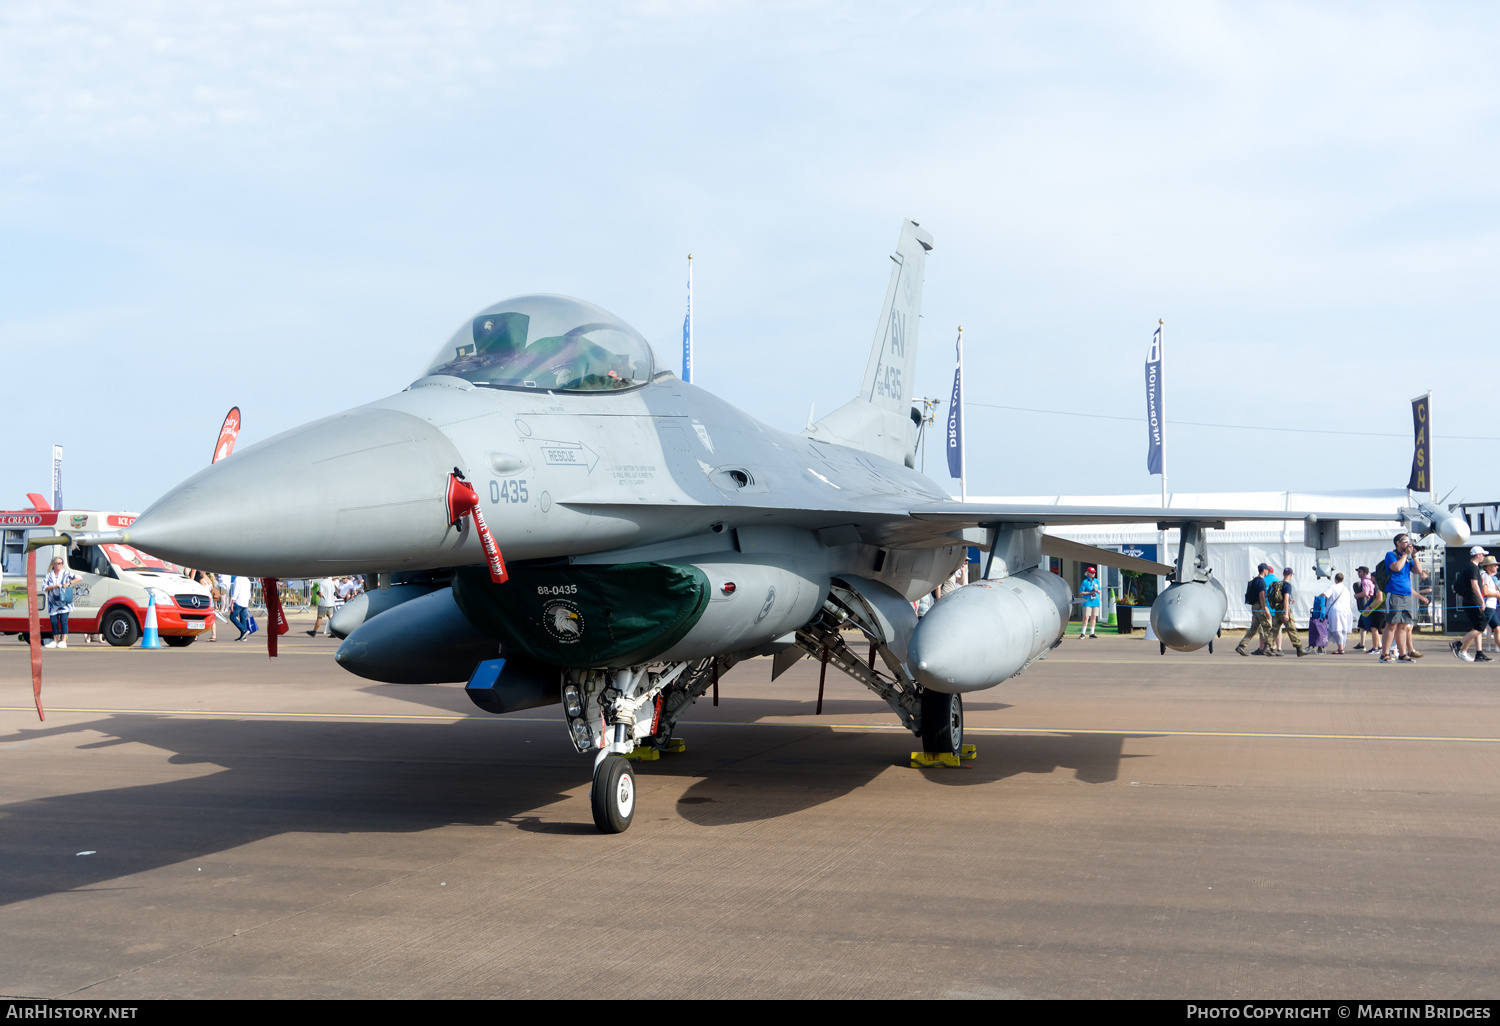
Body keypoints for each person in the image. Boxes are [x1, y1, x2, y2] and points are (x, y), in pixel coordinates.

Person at [1379, 533, 1427, 664]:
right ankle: (1384, 654)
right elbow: (1396, 567)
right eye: (1405, 541)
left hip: (1407, 594)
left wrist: (1414, 555)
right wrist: (1405, 554)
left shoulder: (1408, 557)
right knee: (1392, 624)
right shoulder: (1391, 555)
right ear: (1397, 543)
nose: (1408, 544)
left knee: (1404, 625)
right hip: (1394, 593)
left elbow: (1418, 571)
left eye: (1409, 541)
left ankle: (1403, 654)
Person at [1450, 545, 1490, 663]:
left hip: (1470, 599)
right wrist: (1482, 600)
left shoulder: (1470, 567)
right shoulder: (1473, 568)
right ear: (1478, 555)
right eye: (1483, 554)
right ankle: (1458, 644)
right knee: (1481, 626)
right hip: (1473, 600)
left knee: (1477, 626)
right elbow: (1474, 585)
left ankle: (1479, 653)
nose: (1483, 556)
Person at [42, 555, 83, 648]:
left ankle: (64, 640)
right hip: (53, 603)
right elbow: (44, 587)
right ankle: (55, 640)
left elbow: (79, 578)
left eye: (62, 563)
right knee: (53, 621)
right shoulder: (49, 575)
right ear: (53, 565)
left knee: (64, 621)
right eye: (59, 563)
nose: (61, 565)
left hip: (64, 603)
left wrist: (69, 583)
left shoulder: (66, 573)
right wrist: (54, 586)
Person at [1237, 564, 1275, 657]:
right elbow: (1261, 595)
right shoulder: (1261, 582)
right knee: (1267, 626)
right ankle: (1269, 647)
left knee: (1254, 628)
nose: (1268, 572)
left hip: (1254, 606)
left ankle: (1241, 645)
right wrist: (1265, 607)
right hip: (1260, 606)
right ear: (1264, 570)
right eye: (1267, 570)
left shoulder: (1254, 580)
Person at [1271, 566, 1308, 657]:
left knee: (1274, 630)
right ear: (1291, 575)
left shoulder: (1278, 584)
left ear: (1284, 574)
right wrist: (1287, 613)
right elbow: (1286, 600)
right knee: (1292, 629)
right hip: (1284, 610)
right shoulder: (1287, 585)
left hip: (1277, 610)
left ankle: (1267, 646)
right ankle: (1299, 648)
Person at [1326, 572, 1354, 654]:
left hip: (1336, 611)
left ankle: (1341, 648)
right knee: (1343, 629)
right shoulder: (1346, 589)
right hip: (1346, 611)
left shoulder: (1333, 587)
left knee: (1336, 629)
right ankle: (1341, 646)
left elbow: (1324, 595)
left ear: (1335, 579)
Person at [1482, 554, 1500, 656]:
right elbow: (1485, 592)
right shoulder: (1485, 575)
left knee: (1497, 628)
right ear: (1489, 566)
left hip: (1492, 606)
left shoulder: (1488, 576)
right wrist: (1497, 595)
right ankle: (1460, 644)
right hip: (1488, 606)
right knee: (1479, 629)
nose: (1497, 567)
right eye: (1495, 565)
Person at [1078, 566, 1101, 638]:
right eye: (1092, 573)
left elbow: (1100, 591)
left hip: (1095, 601)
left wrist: (1097, 590)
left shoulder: (1096, 581)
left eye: (1094, 573)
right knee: (1086, 617)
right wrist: (1090, 593)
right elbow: (1081, 592)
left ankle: (1092, 633)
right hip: (1087, 601)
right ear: (1088, 573)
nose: (1093, 574)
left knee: (1094, 617)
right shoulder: (1085, 582)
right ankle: (1083, 633)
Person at [229, 574, 252, 640]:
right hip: (245, 601)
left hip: (239, 601)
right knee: (243, 619)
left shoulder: (238, 579)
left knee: (232, 617)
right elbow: (249, 591)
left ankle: (243, 630)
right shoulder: (247, 580)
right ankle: (243, 636)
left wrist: (232, 601)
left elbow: (236, 591)